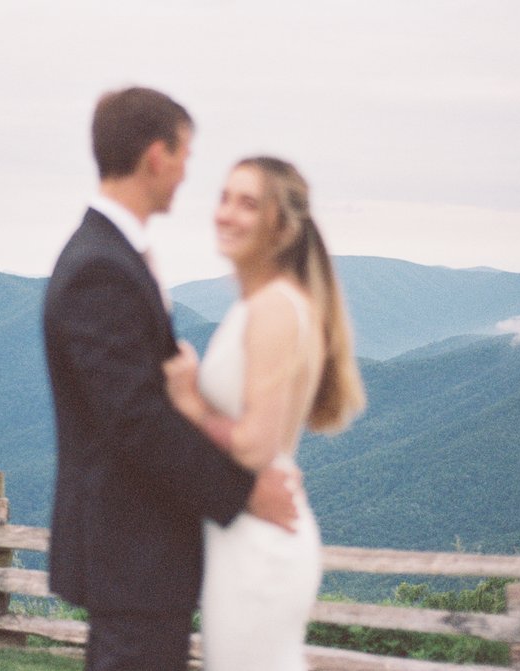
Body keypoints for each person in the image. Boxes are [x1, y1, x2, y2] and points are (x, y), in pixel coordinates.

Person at [42, 87, 300, 671]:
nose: (188, 173)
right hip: (133, 552)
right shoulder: (101, 268)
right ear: (156, 155)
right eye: (185, 154)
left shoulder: (112, 256)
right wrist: (243, 493)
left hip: (139, 554)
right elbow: (135, 420)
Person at [163, 156, 366, 671]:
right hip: (243, 533)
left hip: (260, 544)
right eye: (225, 197)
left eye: (248, 203)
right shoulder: (262, 303)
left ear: (282, 225)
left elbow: (255, 444)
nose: (227, 213)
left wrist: (189, 401)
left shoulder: (275, 307)